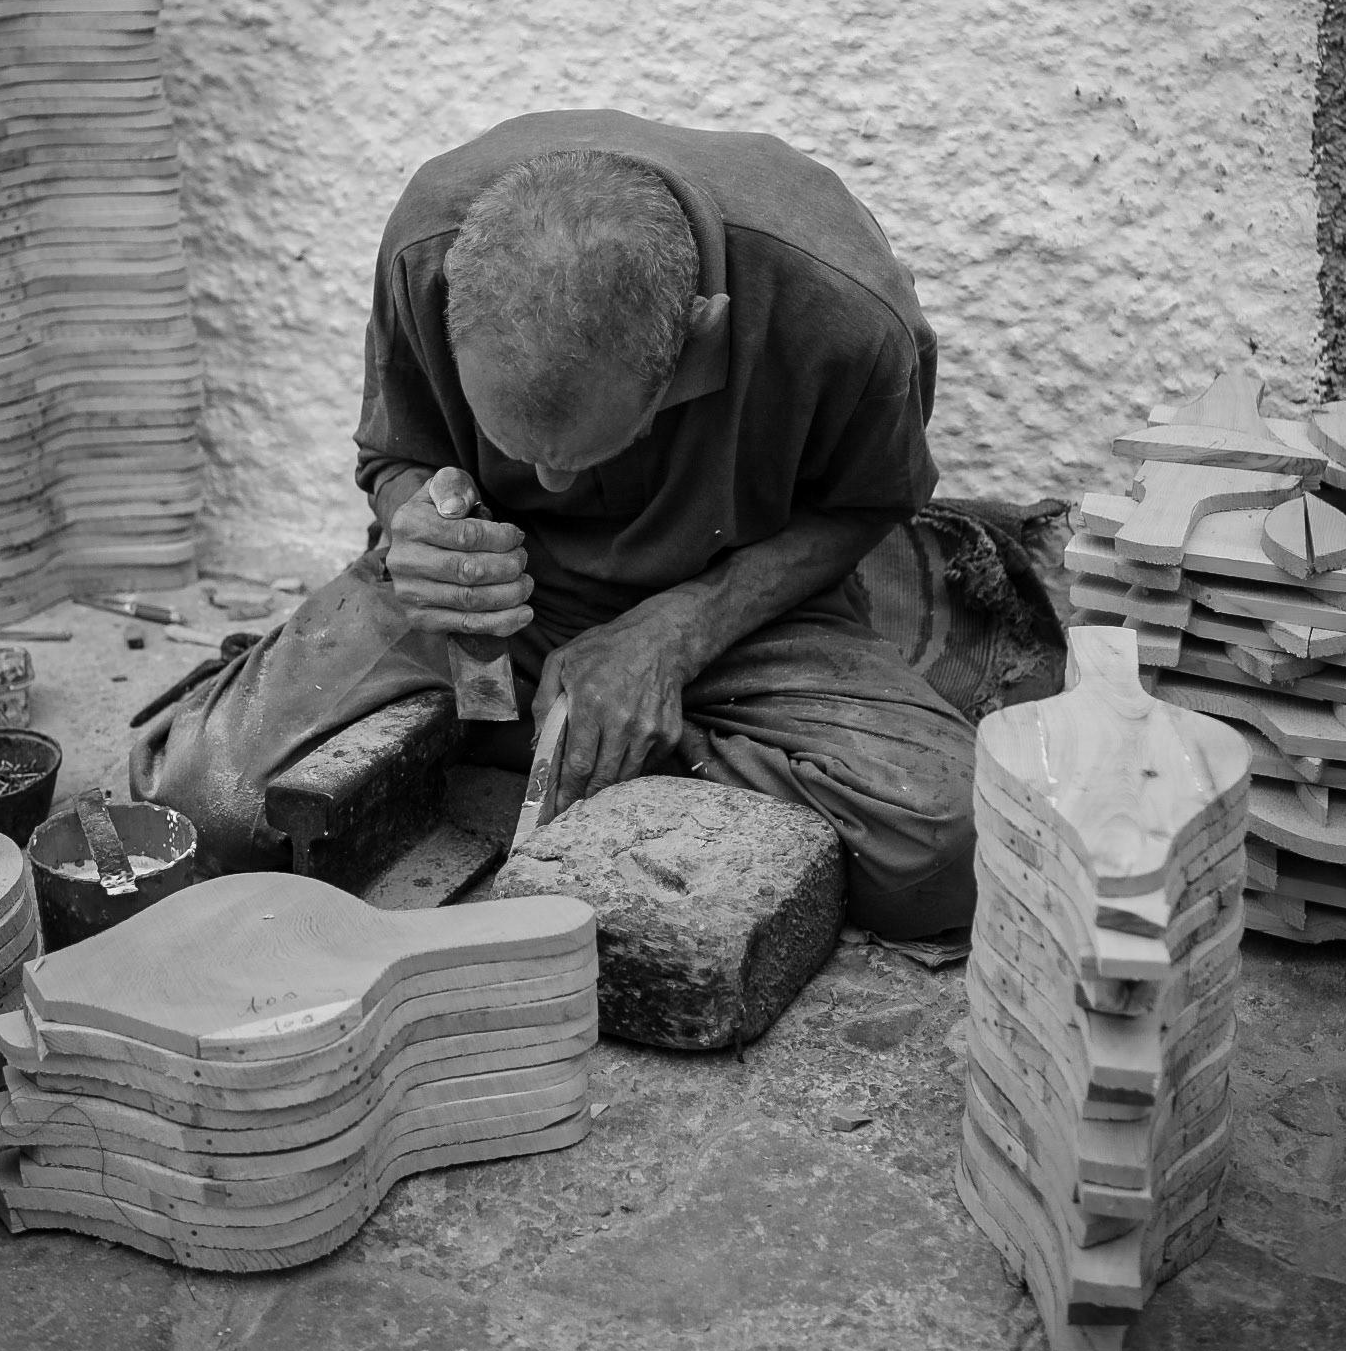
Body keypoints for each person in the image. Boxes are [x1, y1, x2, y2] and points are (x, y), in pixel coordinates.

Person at [132, 109, 978, 938]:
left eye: (583, 452)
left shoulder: (840, 308)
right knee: (202, 808)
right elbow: (392, 458)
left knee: (946, 846)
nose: (546, 481)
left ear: (698, 338)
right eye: (516, 446)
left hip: (738, 610)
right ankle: (573, 736)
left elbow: (870, 506)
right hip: (490, 610)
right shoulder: (431, 248)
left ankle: (546, 739)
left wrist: (676, 636)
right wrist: (416, 527)